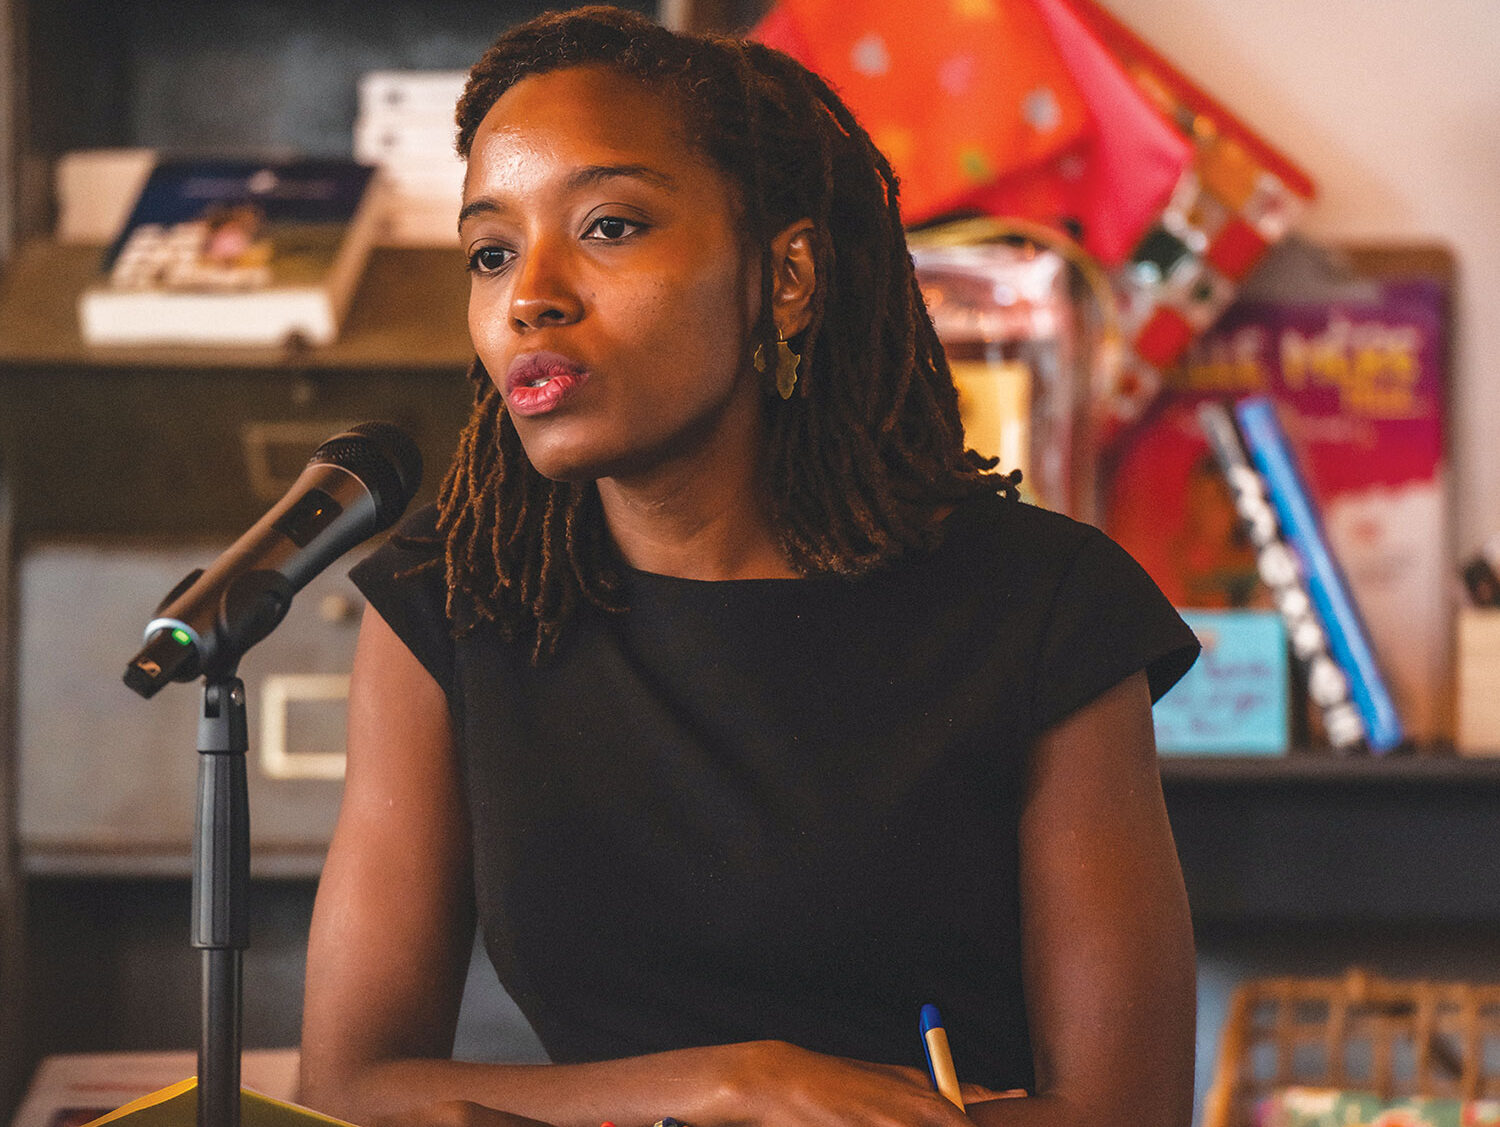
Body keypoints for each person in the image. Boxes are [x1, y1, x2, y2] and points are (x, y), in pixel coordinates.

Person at [297, 7, 1201, 1127]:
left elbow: (1127, 1110)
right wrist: (739, 1083)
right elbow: (352, 1087)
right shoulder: (457, 604)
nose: (529, 293)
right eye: (491, 250)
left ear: (786, 277)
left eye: (610, 226)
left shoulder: (1044, 611)